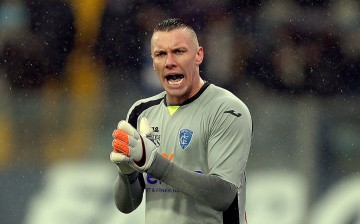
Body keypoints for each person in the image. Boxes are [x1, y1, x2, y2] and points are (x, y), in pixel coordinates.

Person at [109, 18, 252, 224]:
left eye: (178, 51)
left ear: (199, 55)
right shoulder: (141, 113)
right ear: (153, 62)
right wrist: (127, 174)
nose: (169, 62)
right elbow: (126, 205)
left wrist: (153, 163)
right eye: (161, 54)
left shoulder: (228, 110)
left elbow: (222, 195)